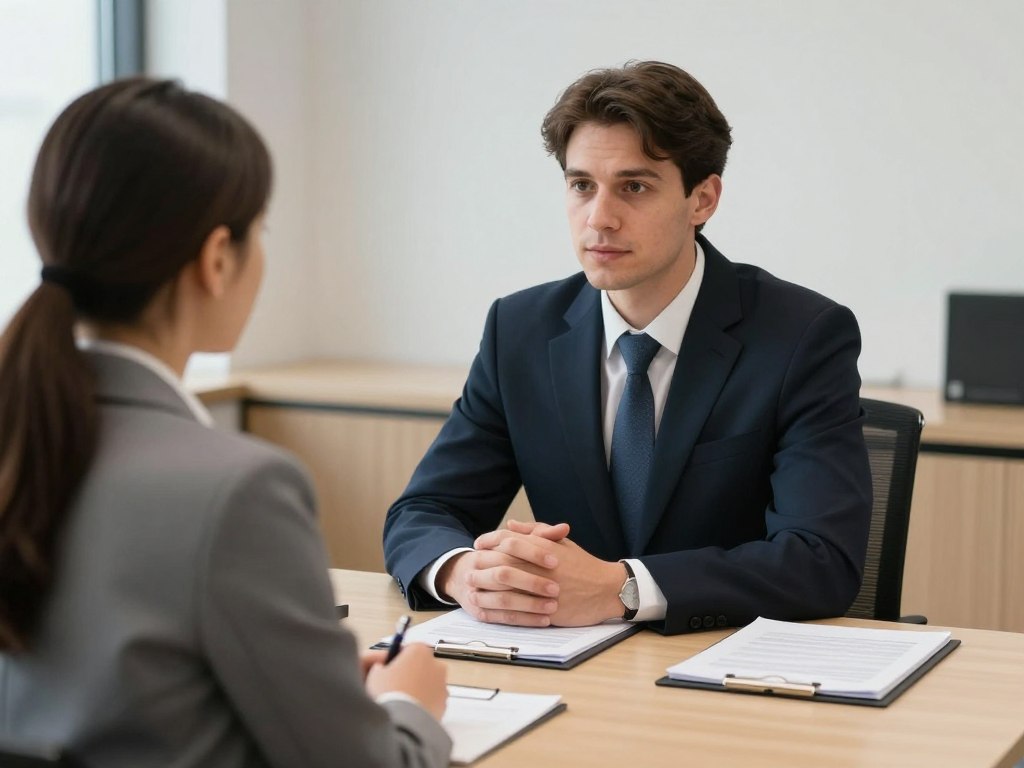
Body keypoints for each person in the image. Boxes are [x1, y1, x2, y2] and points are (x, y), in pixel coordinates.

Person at [0, 78, 450, 768]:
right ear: (216, 259)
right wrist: (408, 706)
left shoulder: (24, 434)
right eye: (259, 231)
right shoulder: (237, 489)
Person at [383, 61, 872, 636]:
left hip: (722, 669)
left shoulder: (802, 335)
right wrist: (465, 573)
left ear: (703, 199)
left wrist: (624, 588)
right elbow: (423, 512)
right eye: (581, 185)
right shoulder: (520, 329)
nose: (600, 218)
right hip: (570, 669)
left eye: (634, 187)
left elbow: (821, 562)